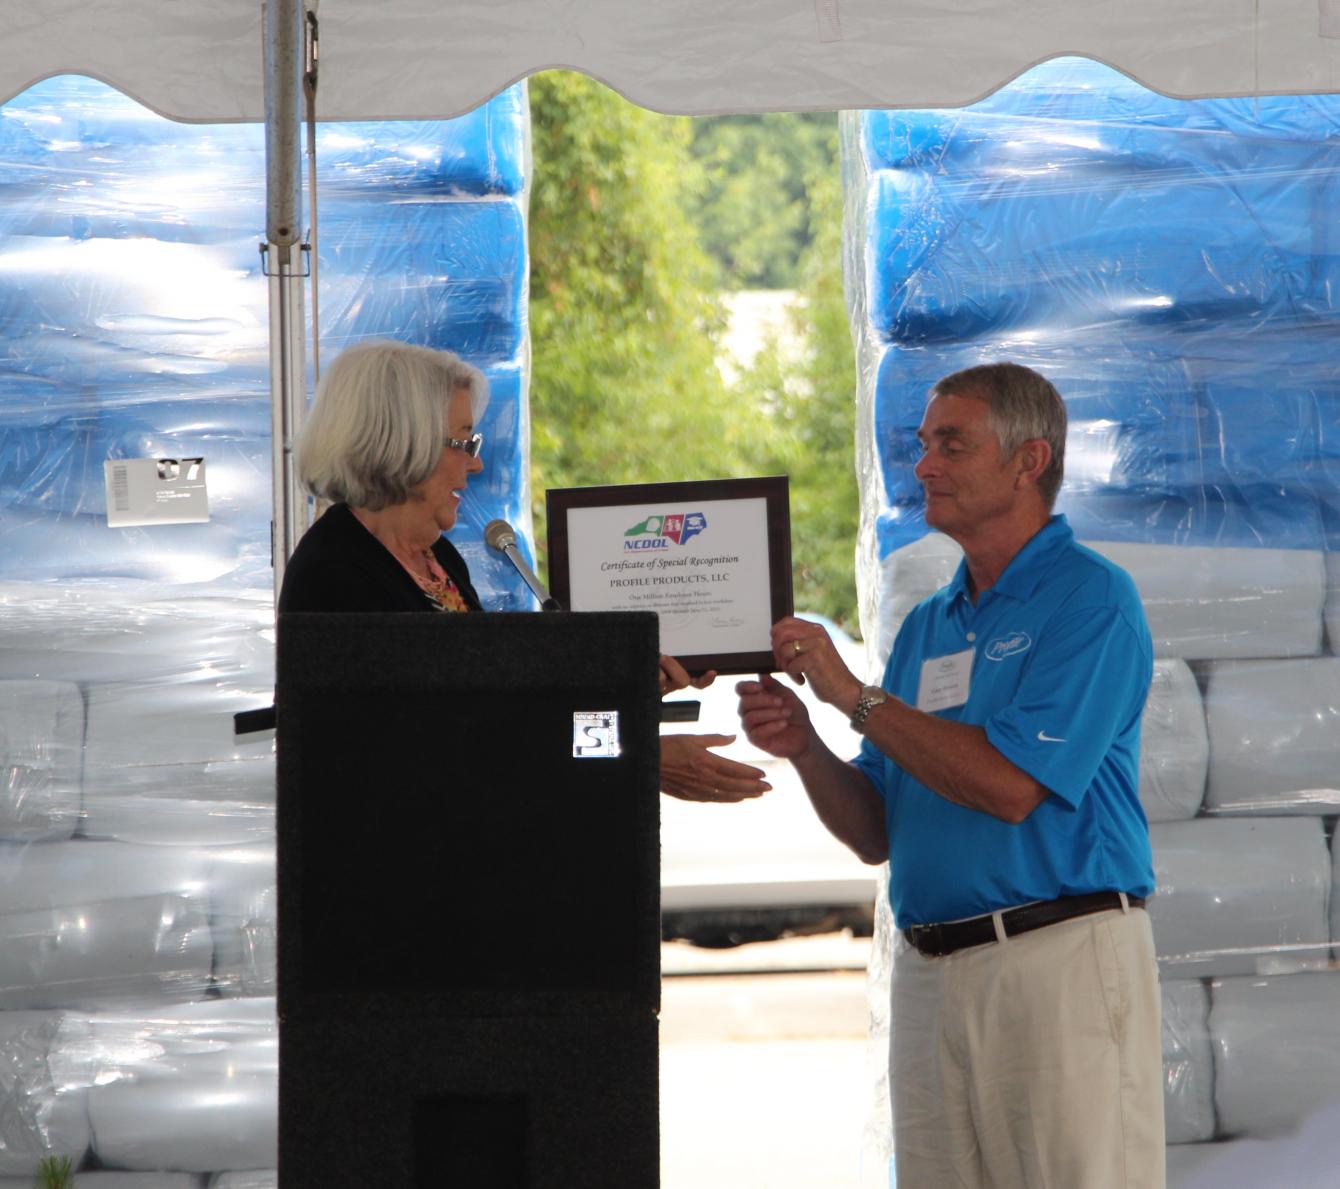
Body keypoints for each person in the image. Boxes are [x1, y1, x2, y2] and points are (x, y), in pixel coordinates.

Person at [737, 362, 1163, 1187]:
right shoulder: (931, 620)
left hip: (1056, 959)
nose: (924, 465)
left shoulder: (1092, 601)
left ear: (1028, 461)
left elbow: (1010, 787)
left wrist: (855, 697)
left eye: (950, 444)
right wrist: (807, 747)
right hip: (931, 971)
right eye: (923, 443)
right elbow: (873, 831)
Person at [280, 338, 768, 803]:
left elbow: (502, 713)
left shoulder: (438, 559)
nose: (474, 465)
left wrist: (624, 680)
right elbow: (430, 747)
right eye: (462, 443)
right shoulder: (336, 574)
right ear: (399, 441)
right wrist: (638, 755)